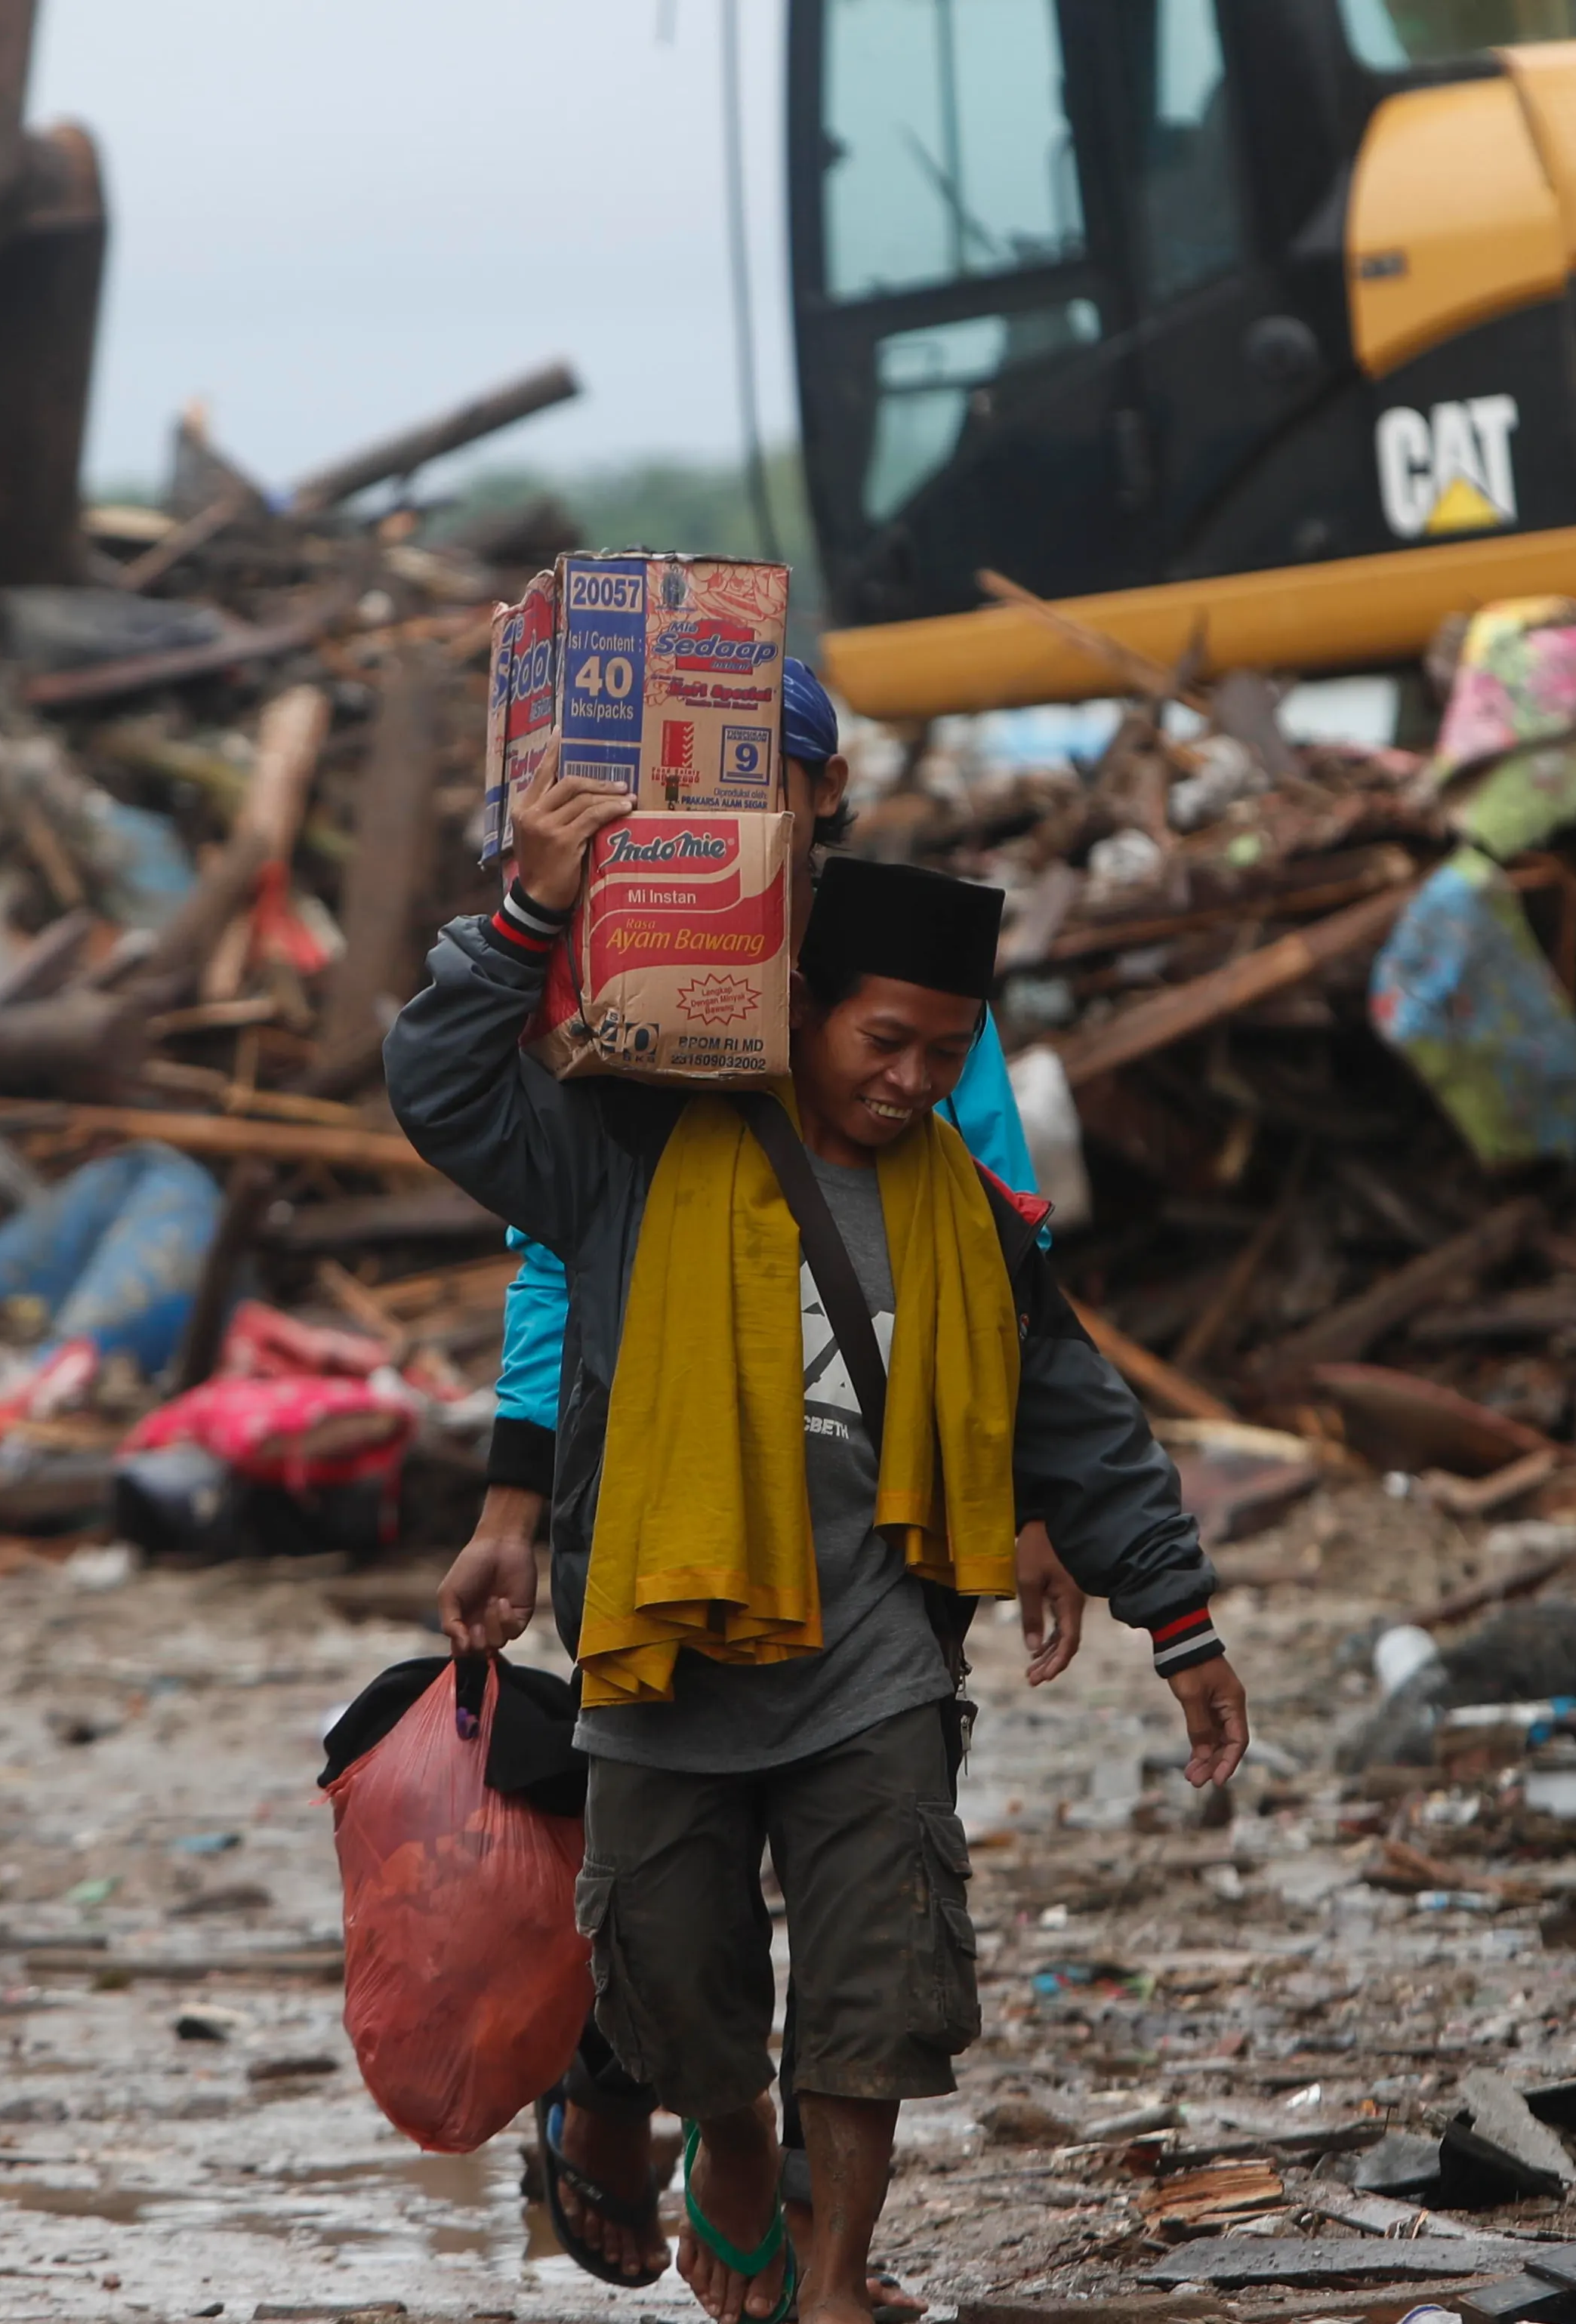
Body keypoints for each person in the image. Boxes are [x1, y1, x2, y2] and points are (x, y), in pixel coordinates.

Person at [393, 761, 1249, 2324]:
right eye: (884, 1041)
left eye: (945, 1051)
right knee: (670, 1980)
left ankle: (836, 2278)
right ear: (797, 1013)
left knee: (879, 1980)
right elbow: (444, 1089)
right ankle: (729, 2140)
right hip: (662, 1660)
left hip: (875, 1665)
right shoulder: (629, 1152)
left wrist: (1176, 1618)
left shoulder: (970, 1217)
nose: (915, 1079)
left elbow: (1074, 1411)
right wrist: (525, 916)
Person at [455, 661, 1077, 2298]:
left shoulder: (906, 981)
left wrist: (1015, 1501)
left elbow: (994, 1251)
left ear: (817, 795)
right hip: (651, 1528)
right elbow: (557, 1259)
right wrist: (515, 1501)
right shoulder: (634, 983)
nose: (723, 823)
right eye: (684, 797)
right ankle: (676, 2127)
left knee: (870, 1905)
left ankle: (825, 2256)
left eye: (756, 788)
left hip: (865, 1554)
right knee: (666, 1904)